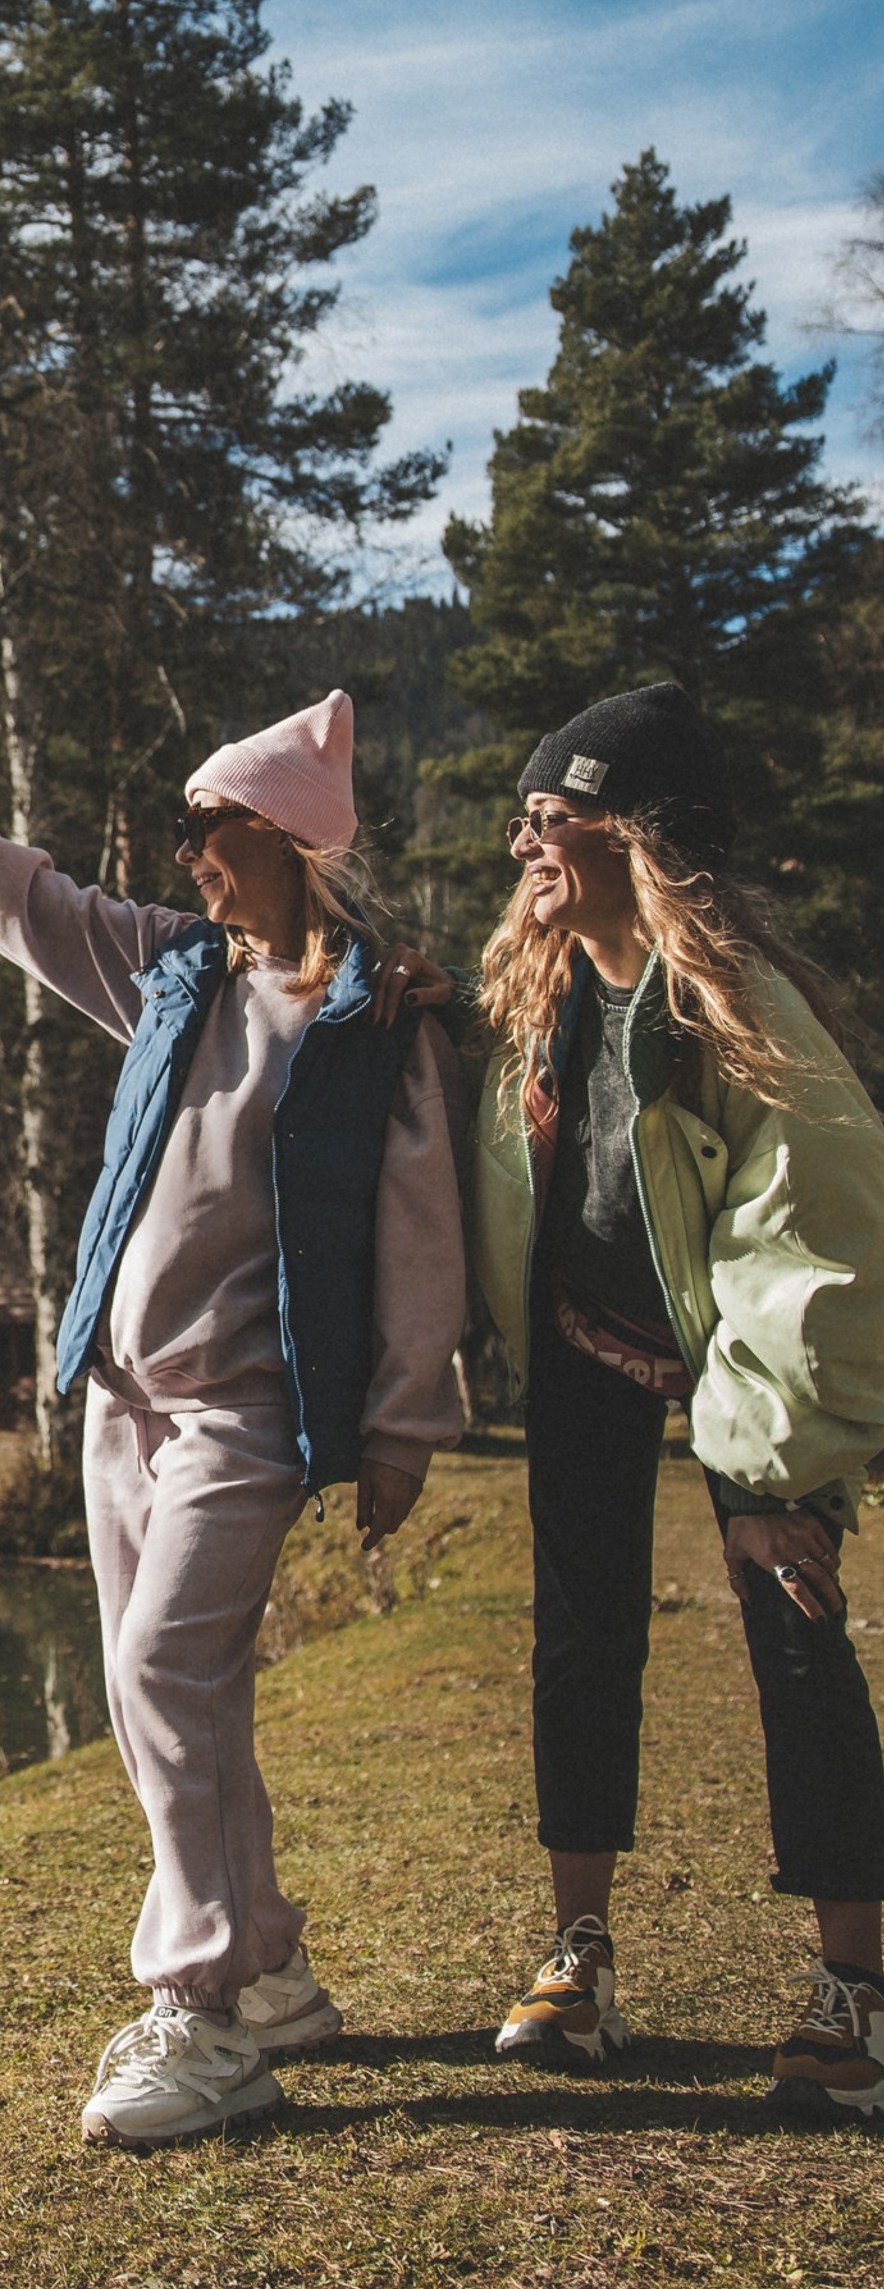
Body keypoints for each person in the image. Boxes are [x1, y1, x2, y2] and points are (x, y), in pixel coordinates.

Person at [0, 683, 467, 2146]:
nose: (186, 855)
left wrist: (405, 1427)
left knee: (167, 1670)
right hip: (123, 1404)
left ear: (284, 837)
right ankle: (270, 1967)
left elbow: (424, 1233)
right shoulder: (176, 973)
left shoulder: (372, 1022)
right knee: (157, 1689)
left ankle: (204, 2014)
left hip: (248, 1412)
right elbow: (29, 903)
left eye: (207, 827)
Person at [470, 683, 884, 2116]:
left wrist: (767, 1475)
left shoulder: (742, 1016)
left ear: (635, 836)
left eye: (550, 817)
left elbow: (810, 1242)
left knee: (796, 1627)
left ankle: (857, 1996)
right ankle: (578, 1957)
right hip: (586, 1344)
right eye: (522, 819)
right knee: (580, 1641)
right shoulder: (541, 995)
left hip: (736, 1364)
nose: (525, 843)